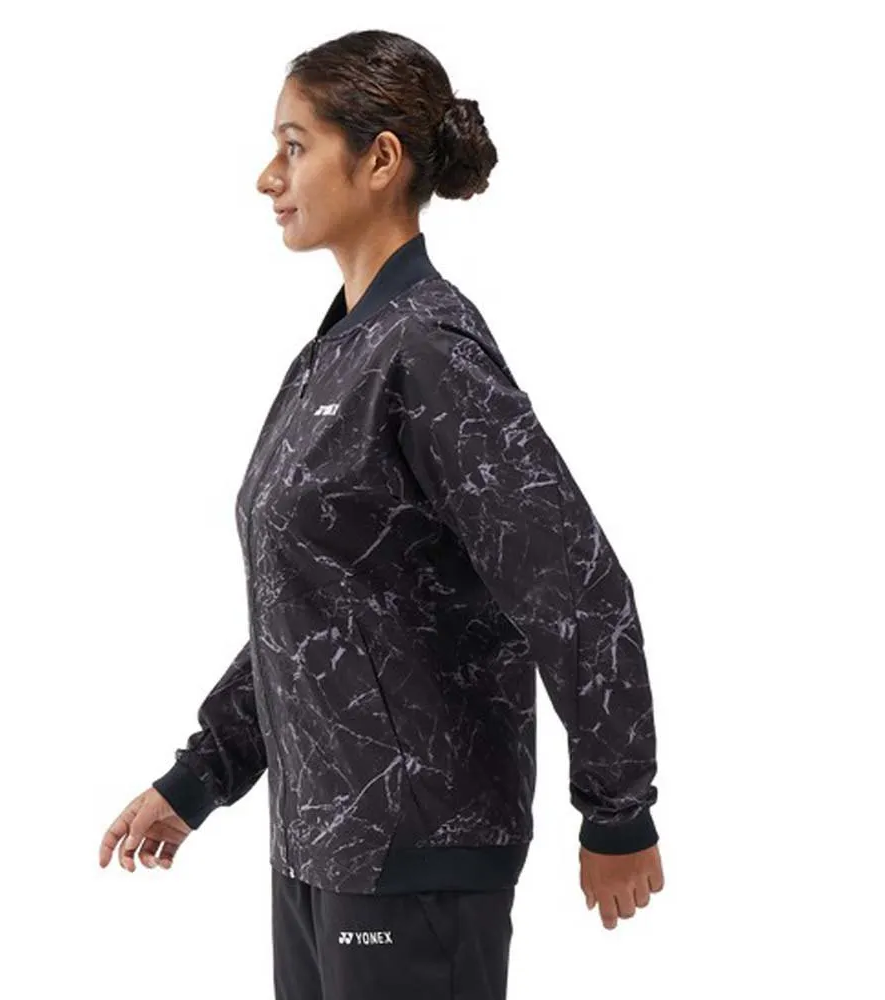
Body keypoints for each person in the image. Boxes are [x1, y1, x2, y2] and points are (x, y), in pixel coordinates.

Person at [99, 28, 665, 999]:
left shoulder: (429, 351)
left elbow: (574, 584)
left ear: (380, 159)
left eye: (294, 145)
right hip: (319, 850)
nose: (268, 177)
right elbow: (321, 611)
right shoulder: (339, 354)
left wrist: (618, 811)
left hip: (418, 853)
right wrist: (200, 777)